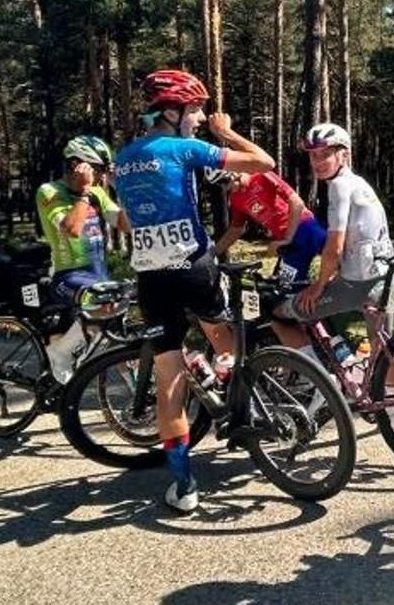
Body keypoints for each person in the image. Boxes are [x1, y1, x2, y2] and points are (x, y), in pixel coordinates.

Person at [111, 68, 277, 514]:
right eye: (196, 109)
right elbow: (264, 163)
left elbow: (126, 220)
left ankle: (184, 487)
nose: (202, 117)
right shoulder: (184, 148)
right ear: (172, 111)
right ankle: (242, 407)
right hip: (194, 267)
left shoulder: (122, 159)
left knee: (169, 383)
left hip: (152, 279)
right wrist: (227, 134)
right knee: (227, 344)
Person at [269, 124, 394, 352]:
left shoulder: (338, 186)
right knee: (384, 351)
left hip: (358, 285)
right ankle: (383, 379)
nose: (318, 162)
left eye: (325, 154)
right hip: (386, 277)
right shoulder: (360, 183)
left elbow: (334, 247)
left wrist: (318, 286)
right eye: (313, 156)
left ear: (344, 155)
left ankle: (312, 373)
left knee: (280, 314)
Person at [36, 136, 129, 382]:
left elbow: (125, 224)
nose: (100, 176)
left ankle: (135, 387)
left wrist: (122, 188)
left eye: (103, 170)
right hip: (67, 276)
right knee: (103, 304)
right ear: (75, 165)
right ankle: (60, 352)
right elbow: (72, 228)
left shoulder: (97, 192)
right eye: (97, 169)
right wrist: (83, 193)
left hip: (98, 276)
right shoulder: (49, 191)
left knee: (118, 328)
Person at [212, 166, 326, 298]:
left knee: (340, 261)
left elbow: (297, 202)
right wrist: (212, 253)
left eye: (225, 181)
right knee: (288, 291)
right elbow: (236, 229)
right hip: (289, 245)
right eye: (220, 184)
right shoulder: (235, 199)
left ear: (234, 173)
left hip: (306, 228)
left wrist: (288, 237)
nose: (226, 187)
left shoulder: (263, 176)